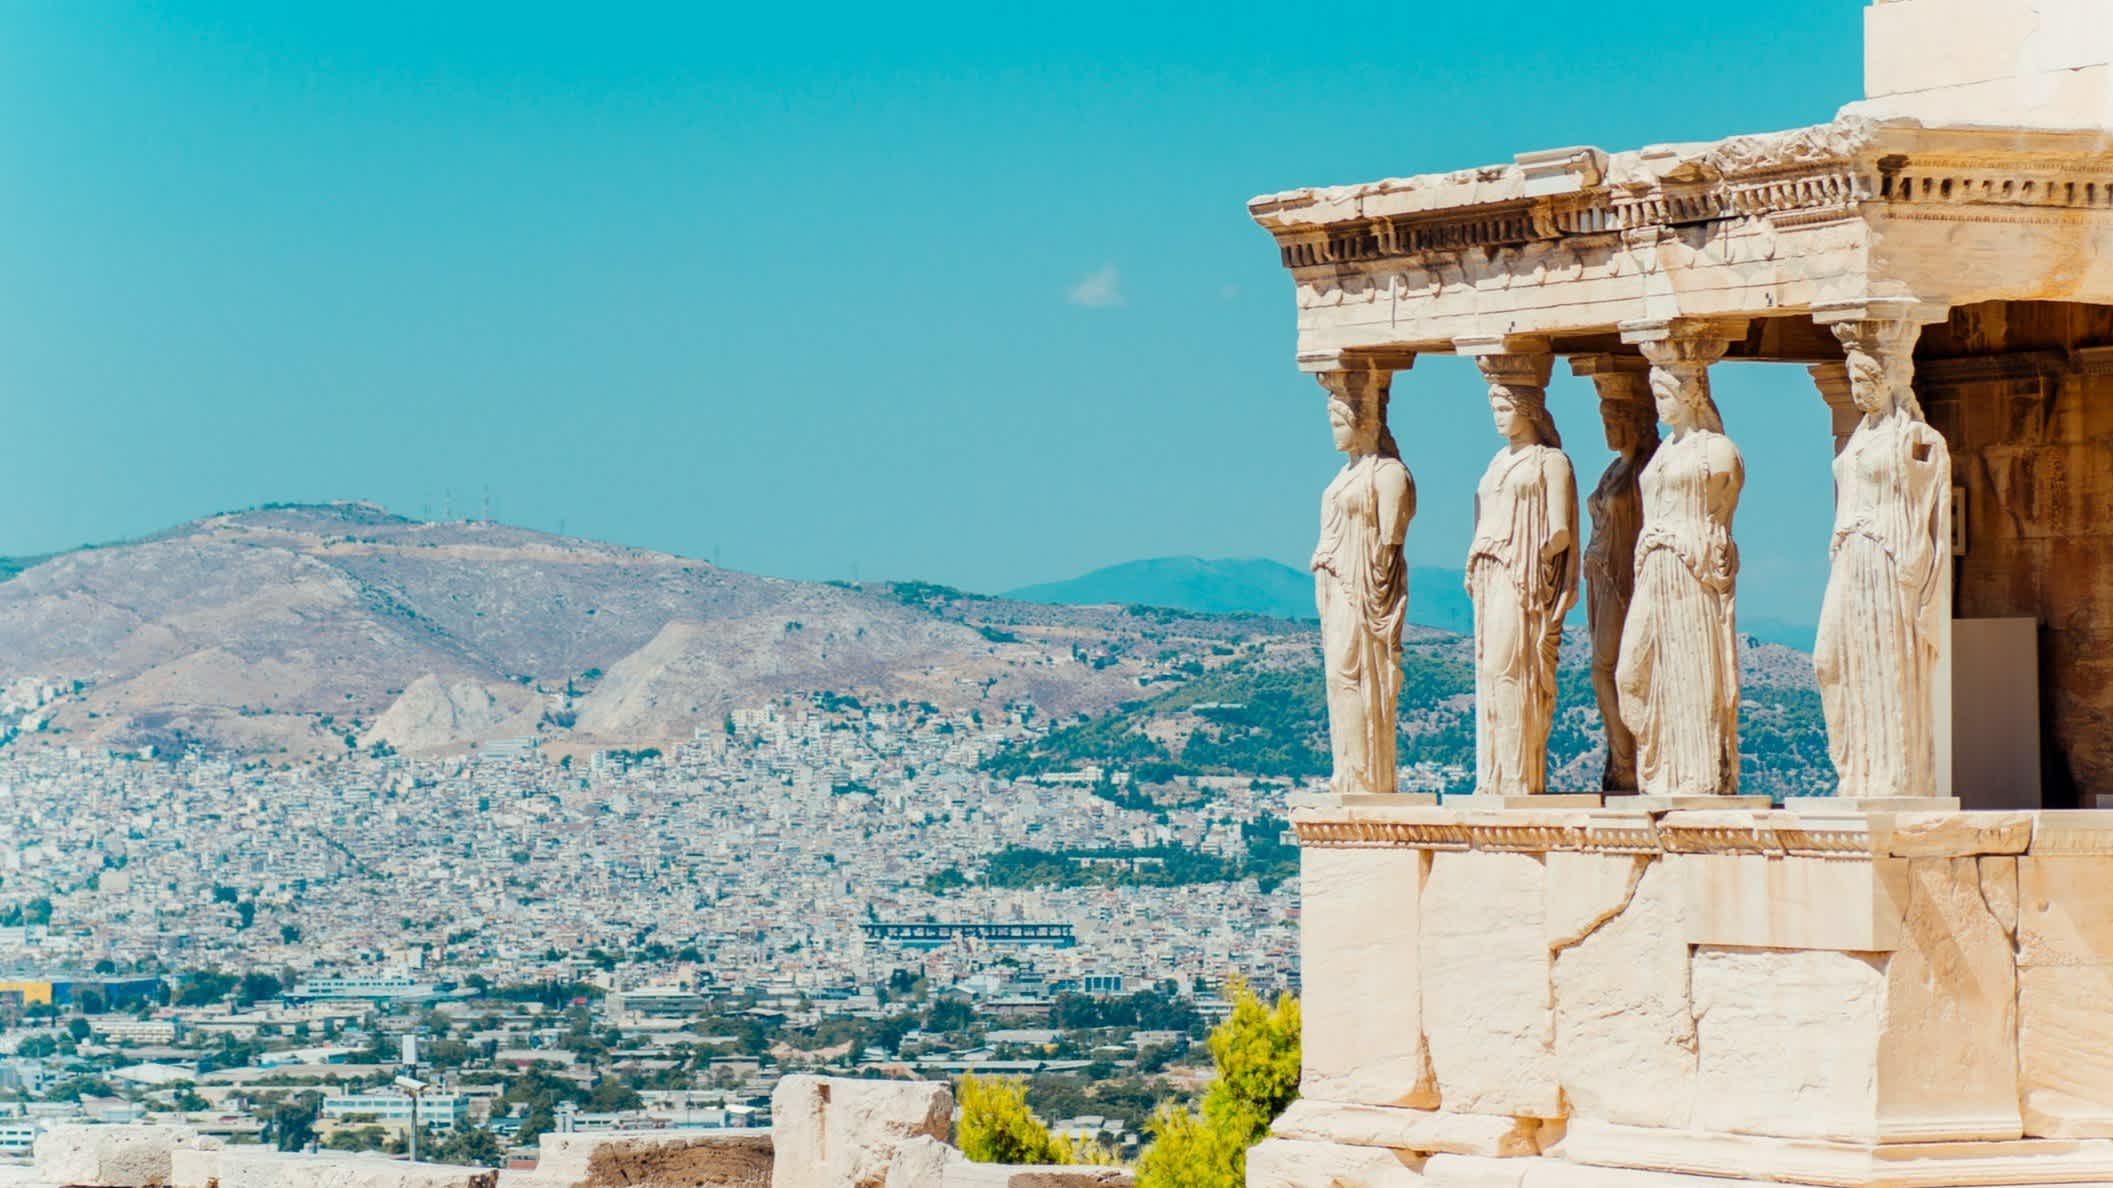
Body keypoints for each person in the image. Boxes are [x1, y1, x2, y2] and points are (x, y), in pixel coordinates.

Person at [1312, 375, 1416, 797]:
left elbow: (1390, 540)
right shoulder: (1344, 475)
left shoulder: (1390, 474)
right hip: (1336, 584)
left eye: (1339, 423)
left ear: (1362, 422)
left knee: (1357, 675)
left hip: (1365, 588)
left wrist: (1370, 587)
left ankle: (1368, 775)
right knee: (1338, 679)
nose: (1334, 433)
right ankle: (1349, 771)